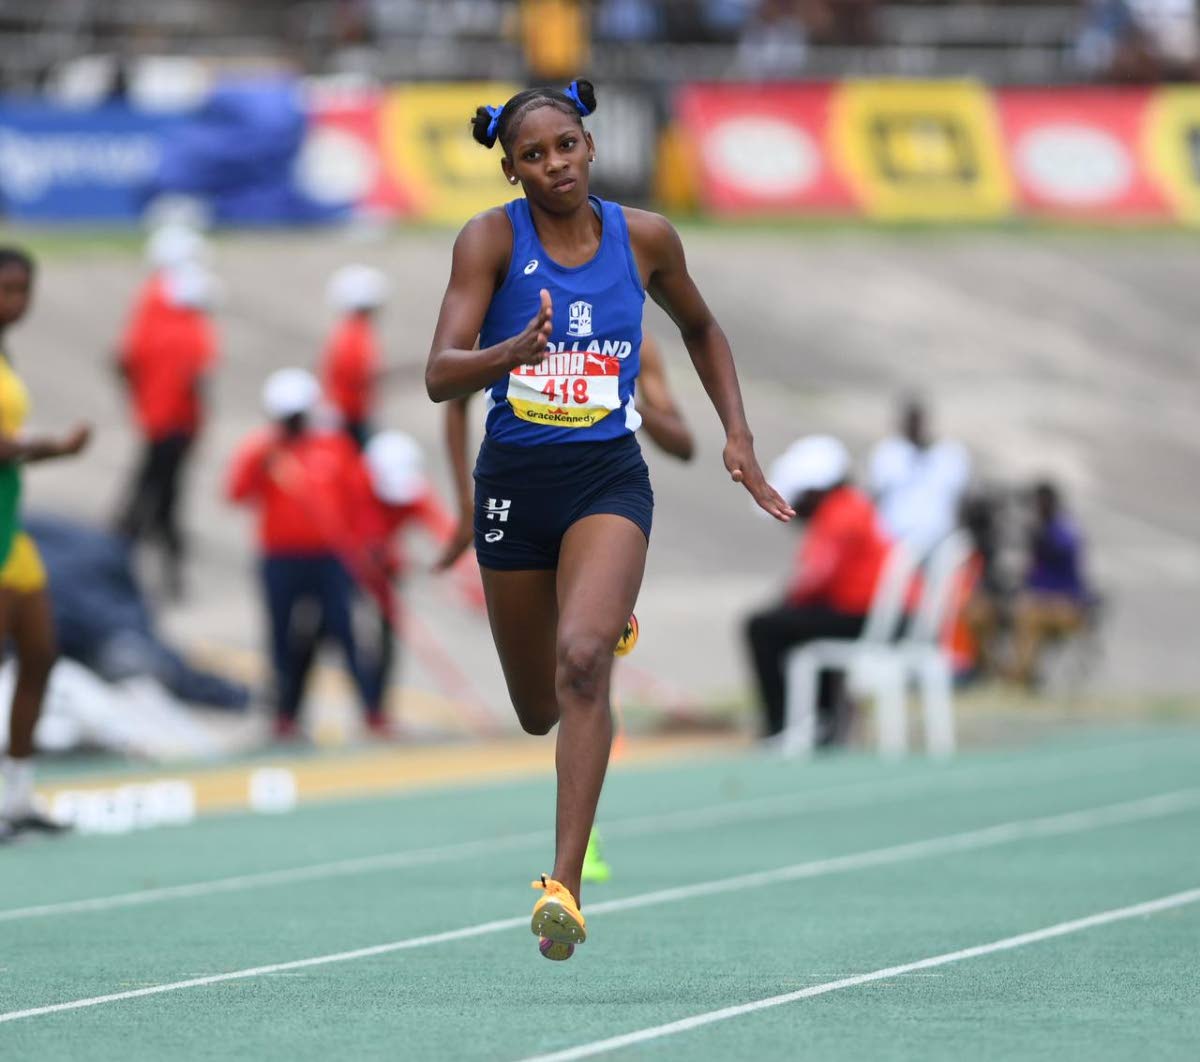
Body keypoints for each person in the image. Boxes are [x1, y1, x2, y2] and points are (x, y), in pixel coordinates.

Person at [424, 79, 789, 961]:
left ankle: (565, 887)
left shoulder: (647, 237)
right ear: (511, 170)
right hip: (515, 484)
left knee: (584, 662)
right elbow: (439, 373)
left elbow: (703, 329)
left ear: (590, 146)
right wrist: (509, 354)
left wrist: (736, 435)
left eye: (567, 147)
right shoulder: (488, 241)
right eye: (534, 156)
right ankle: (598, 614)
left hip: (606, 479)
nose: (555, 166)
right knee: (539, 709)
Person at [225, 369, 382, 740]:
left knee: (344, 632)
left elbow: (359, 499)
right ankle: (285, 716)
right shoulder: (264, 450)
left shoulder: (334, 446)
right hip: (280, 559)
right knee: (282, 636)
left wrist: (366, 544)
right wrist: (259, 464)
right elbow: (236, 493)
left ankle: (372, 712)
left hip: (330, 558)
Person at [0, 247, 91, 841]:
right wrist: (54, 448)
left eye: (23, 290)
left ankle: (18, 795)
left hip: (11, 528)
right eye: (5, 289)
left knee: (39, 654)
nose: (15, 301)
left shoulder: (5, 352)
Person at [745, 435, 892, 743]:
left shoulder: (840, 514)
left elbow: (814, 579)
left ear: (813, 491)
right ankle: (821, 718)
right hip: (864, 610)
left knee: (763, 627)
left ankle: (783, 725)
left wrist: (786, 602)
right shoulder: (851, 505)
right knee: (799, 624)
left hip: (863, 614)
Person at [114, 232, 218, 600]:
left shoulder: (150, 309)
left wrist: (137, 401)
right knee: (158, 501)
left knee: (149, 496)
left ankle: (158, 573)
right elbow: (197, 382)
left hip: (155, 420)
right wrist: (201, 426)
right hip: (176, 424)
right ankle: (144, 572)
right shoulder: (192, 329)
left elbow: (123, 361)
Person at [1007, 481, 1093, 687]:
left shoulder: (1063, 531)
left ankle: (1022, 674)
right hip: (1043, 602)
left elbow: (1061, 553)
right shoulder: (1044, 532)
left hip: (1066, 606)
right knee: (1020, 610)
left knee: (1028, 615)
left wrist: (1041, 536)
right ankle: (1021, 672)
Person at [868, 396, 970, 561]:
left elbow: (962, 500)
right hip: (896, 541)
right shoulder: (887, 453)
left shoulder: (950, 454)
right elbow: (875, 498)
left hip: (940, 541)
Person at [320, 265, 389, 449]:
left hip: (346, 415)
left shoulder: (347, 330)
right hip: (350, 417)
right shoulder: (356, 333)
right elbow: (358, 374)